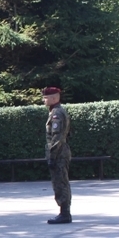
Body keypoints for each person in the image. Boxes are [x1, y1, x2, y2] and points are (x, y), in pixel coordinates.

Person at [43, 86, 72, 224]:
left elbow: (57, 137)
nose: (43, 100)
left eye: (46, 97)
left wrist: (52, 156)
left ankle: (65, 213)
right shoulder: (56, 111)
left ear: (54, 98)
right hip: (60, 152)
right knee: (60, 182)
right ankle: (64, 212)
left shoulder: (57, 113)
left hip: (59, 153)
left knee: (60, 183)